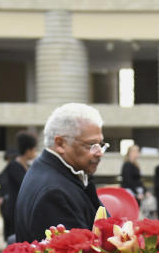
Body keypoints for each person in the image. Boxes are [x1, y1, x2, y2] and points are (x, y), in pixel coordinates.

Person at [14, 103, 106, 243]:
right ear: (60, 144)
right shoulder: (53, 192)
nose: (99, 152)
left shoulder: (52, 173)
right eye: (91, 145)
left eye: (101, 144)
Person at [0, 131, 38, 242]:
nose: (35, 153)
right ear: (28, 150)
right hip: (13, 210)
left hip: (22, 210)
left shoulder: (28, 166)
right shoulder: (14, 167)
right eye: (34, 149)